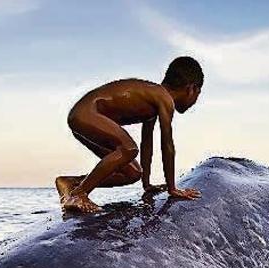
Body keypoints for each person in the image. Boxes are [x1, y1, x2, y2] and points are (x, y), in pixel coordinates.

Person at [55, 56, 205, 213]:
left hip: (83, 117)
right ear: (191, 89)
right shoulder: (164, 98)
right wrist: (173, 188)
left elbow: (147, 143)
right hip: (86, 113)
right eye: (197, 94)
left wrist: (147, 184)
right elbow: (167, 144)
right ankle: (79, 194)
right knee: (128, 149)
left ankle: (71, 183)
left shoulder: (155, 98)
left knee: (132, 173)